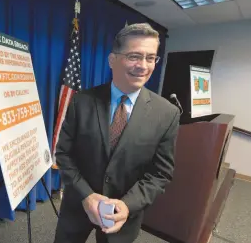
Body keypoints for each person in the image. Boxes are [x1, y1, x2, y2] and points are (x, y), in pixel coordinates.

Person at [53, 23, 180, 243]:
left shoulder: (167, 114)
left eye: (150, 58)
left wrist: (128, 205)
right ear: (112, 60)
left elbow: (160, 174)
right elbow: (63, 154)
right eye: (134, 56)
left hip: (124, 217)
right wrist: (86, 195)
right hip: (77, 206)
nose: (143, 66)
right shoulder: (81, 101)